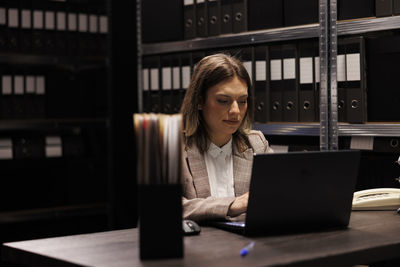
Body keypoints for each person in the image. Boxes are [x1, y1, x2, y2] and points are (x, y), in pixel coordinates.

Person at [180, 53, 273, 222]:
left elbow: (282, 192)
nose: (236, 111)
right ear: (199, 101)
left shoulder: (256, 144)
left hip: (247, 245)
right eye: (224, 101)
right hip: (195, 246)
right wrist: (230, 205)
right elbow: (160, 207)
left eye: (243, 101)